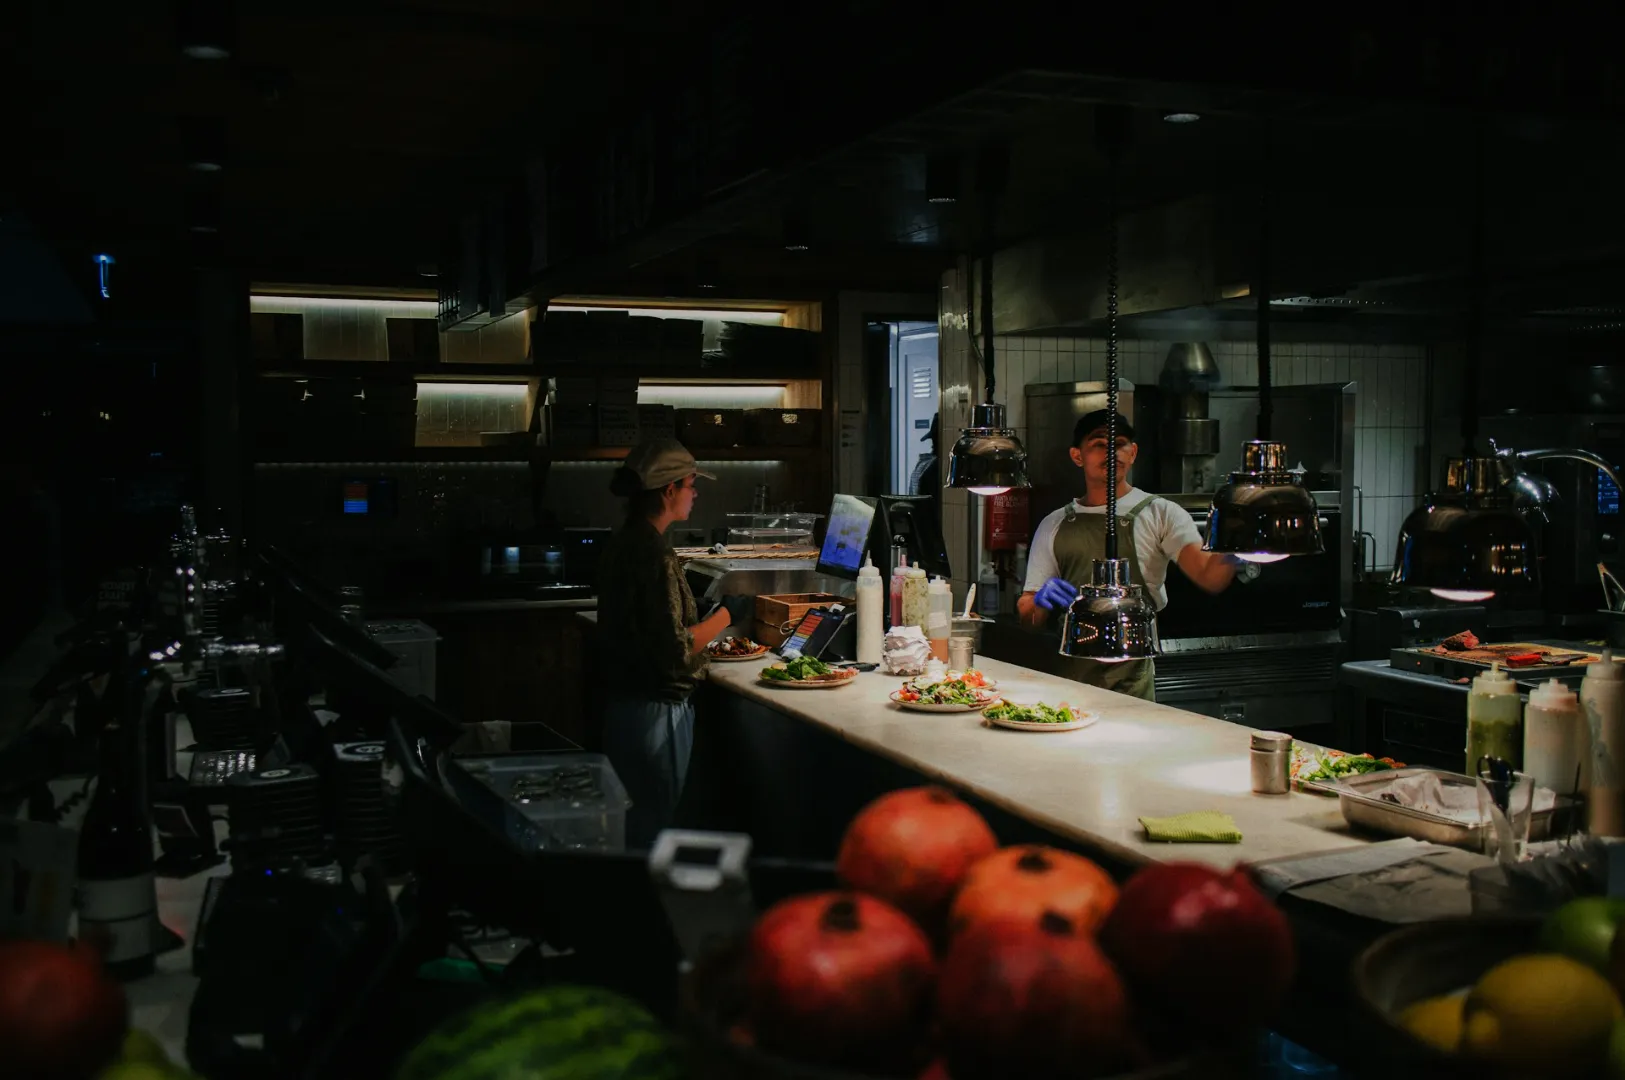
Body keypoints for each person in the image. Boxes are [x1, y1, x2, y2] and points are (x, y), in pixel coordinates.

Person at [1017, 410, 1251, 701]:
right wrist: (1040, 603)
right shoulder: (1054, 524)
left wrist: (1235, 537)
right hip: (1070, 682)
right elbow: (1028, 618)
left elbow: (1210, 576)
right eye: (1100, 444)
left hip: (1133, 681)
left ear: (1134, 452)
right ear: (1078, 456)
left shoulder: (1161, 513)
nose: (1112, 452)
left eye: (1121, 443)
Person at [596, 438, 751, 846]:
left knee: (633, 828)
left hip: (623, 712)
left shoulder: (625, 542)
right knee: (655, 833)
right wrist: (726, 614)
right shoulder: (656, 556)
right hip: (656, 714)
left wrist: (691, 606)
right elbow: (675, 648)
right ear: (669, 491)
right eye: (690, 484)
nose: (695, 493)